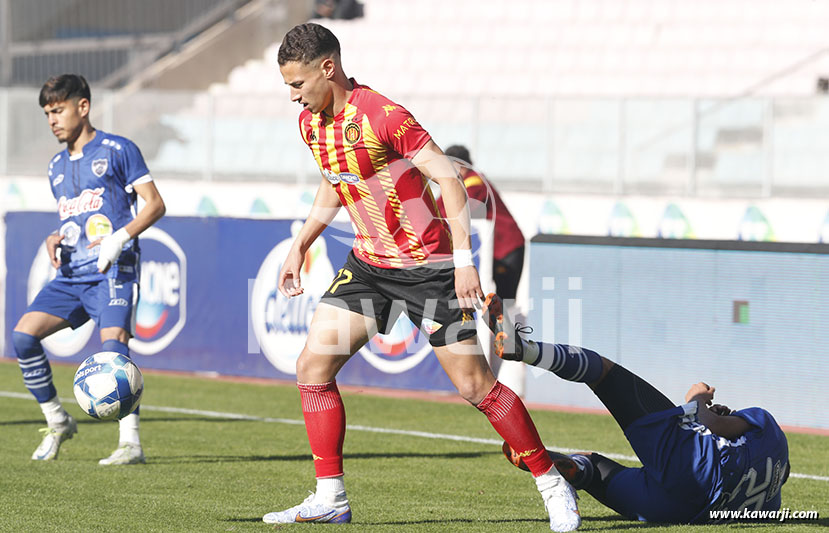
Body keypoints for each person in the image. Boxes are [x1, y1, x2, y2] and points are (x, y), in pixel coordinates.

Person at [265, 23, 580, 532]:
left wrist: (462, 261)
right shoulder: (310, 123)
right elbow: (334, 185)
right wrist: (301, 245)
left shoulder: (383, 115)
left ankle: (550, 481)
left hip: (427, 269)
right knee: (312, 366)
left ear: (328, 68)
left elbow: (449, 179)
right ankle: (331, 498)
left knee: (476, 387)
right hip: (369, 266)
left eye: (298, 84)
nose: (293, 96)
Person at [485, 293, 791, 524]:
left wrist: (697, 397)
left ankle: (523, 349)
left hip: (692, 464)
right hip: (681, 509)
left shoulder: (770, 430)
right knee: (594, 472)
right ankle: (573, 469)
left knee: (602, 372)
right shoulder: (769, 505)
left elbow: (709, 421)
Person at [12, 74, 166, 464]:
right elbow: (77, 218)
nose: (52, 119)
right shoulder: (56, 166)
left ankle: (130, 443)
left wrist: (119, 238)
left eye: (58, 109)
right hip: (71, 276)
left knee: (114, 346)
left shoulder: (118, 149)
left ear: (83, 107)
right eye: (47, 112)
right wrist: (55, 235)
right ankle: (57, 420)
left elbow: (154, 204)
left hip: (114, 269)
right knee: (23, 338)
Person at [437, 145, 528, 394]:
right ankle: (506, 368)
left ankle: (515, 370)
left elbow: (450, 211)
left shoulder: (472, 182)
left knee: (504, 308)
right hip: (498, 252)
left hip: (506, 250)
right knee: (498, 309)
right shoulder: (463, 181)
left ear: (460, 165)